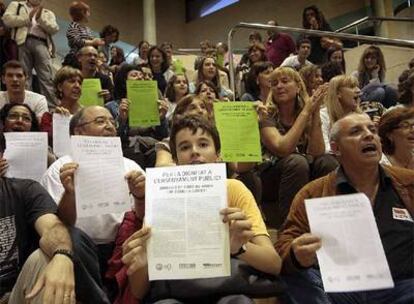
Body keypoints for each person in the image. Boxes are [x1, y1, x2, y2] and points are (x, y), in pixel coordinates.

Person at [107, 115, 282, 303]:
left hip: (227, 290)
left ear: (218, 155)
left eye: (203, 144)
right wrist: (142, 263)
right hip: (173, 294)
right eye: (184, 147)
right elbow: (138, 292)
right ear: (175, 159)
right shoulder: (161, 194)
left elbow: (274, 264)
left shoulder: (233, 188)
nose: (194, 152)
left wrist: (239, 248)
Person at [275, 112, 414, 304]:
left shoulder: (409, 183)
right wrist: (296, 254)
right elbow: (283, 246)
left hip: (401, 287)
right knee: (296, 280)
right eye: (356, 131)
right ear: (335, 148)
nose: (368, 135)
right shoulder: (313, 192)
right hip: (339, 289)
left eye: (372, 130)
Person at [0, 129, 111, 304]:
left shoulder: (24, 190)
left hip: (16, 293)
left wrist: (62, 255)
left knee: (54, 252)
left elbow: (52, 227)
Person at [40, 106, 145, 289]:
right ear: (78, 131)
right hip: (80, 251)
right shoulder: (60, 169)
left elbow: (145, 219)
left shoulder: (131, 167)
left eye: (112, 122)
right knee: (73, 237)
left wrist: (140, 196)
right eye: (100, 121)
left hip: (122, 247)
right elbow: (56, 225)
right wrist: (70, 194)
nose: (110, 126)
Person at [260, 67, 337, 224]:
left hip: (300, 170)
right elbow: (282, 148)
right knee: (297, 162)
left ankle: (329, 220)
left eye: (285, 81)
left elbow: (317, 151)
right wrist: (307, 111)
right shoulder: (265, 115)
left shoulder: (306, 113)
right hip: (271, 175)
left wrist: (314, 113)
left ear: (298, 87)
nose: (279, 86)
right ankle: (291, 225)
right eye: (274, 83)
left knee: (327, 161)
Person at [2, 0, 59, 109]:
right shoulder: (17, 5)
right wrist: (28, 18)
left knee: (46, 77)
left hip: (42, 43)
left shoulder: (48, 12)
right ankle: (27, 107)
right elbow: (7, 20)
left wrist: (40, 19)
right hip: (22, 42)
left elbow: (54, 29)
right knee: (24, 77)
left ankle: (51, 108)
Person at [320, 75, 361, 153]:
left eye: (357, 86)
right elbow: (325, 149)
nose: (358, 90)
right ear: (338, 93)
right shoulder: (323, 115)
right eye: (352, 87)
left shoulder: (362, 117)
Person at [63, 1, 104, 68]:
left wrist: (96, 42)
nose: (89, 14)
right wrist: (92, 42)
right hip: (76, 58)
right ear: (82, 13)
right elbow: (74, 41)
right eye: (88, 12)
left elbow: (90, 42)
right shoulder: (74, 25)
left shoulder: (87, 29)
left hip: (86, 59)